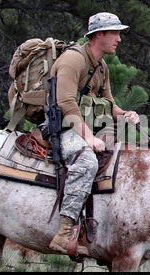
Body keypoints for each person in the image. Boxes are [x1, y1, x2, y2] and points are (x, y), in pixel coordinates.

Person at [49, 12, 140, 256]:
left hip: (87, 128)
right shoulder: (73, 60)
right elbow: (65, 101)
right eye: (115, 33)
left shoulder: (102, 67)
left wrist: (126, 114)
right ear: (98, 35)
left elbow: (109, 105)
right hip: (62, 129)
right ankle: (64, 232)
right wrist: (89, 138)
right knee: (87, 160)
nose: (119, 39)